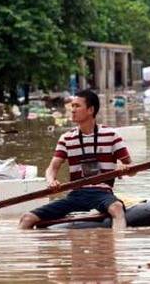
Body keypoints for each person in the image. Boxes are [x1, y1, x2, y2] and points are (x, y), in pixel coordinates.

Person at [19, 89, 133, 230]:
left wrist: (124, 168)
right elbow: (52, 168)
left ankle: (115, 247)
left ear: (91, 110)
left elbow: (130, 167)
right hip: (76, 194)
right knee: (27, 218)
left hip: (102, 193)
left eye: (77, 106)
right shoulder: (66, 138)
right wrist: (51, 181)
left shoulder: (111, 135)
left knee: (117, 208)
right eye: (72, 106)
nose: (72, 110)